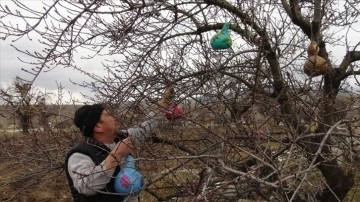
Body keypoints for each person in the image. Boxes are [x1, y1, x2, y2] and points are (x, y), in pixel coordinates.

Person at [64, 86, 174, 202]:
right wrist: (115, 155)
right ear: (98, 127)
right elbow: (87, 186)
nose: (114, 117)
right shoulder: (79, 154)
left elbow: (143, 129)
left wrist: (164, 102)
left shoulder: (120, 138)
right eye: (107, 115)